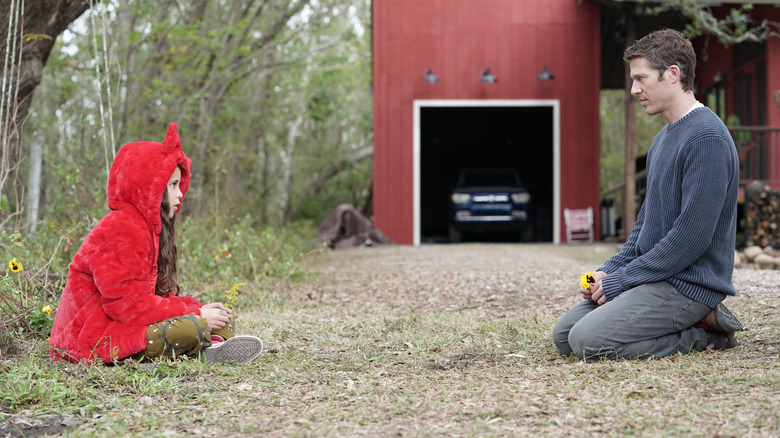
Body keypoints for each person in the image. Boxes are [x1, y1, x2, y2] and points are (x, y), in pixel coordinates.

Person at [552, 29, 743, 362]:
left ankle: (704, 334)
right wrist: (609, 270)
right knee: (565, 337)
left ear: (672, 74)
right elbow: (645, 225)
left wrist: (622, 282)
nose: (633, 89)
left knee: (589, 341)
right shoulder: (662, 140)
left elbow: (689, 240)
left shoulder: (707, 139)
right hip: (657, 278)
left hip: (687, 286)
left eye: (641, 78)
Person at [49, 123, 263, 365]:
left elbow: (156, 295)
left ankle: (213, 343)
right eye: (172, 185)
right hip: (89, 337)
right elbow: (128, 306)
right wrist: (196, 314)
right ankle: (203, 343)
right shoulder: (120, 228)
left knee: (221, 317)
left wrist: (197, 306)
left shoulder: (149, 230)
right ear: (150, 188)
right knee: (191, 326)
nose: (180, 193)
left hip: (121, 324)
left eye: (179, 185)